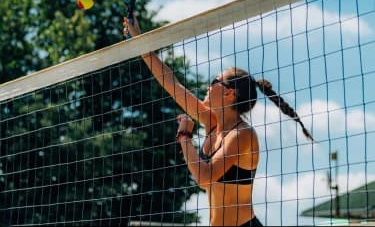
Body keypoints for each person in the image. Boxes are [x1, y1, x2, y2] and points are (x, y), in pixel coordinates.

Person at [123, 16, 313, 226]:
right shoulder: (213, 123)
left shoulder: (242, 135)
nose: (208, 85)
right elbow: (173, 86)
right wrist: (142, 46)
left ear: (229, 94)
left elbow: (205, 177)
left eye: (215, 81)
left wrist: (184, 136)